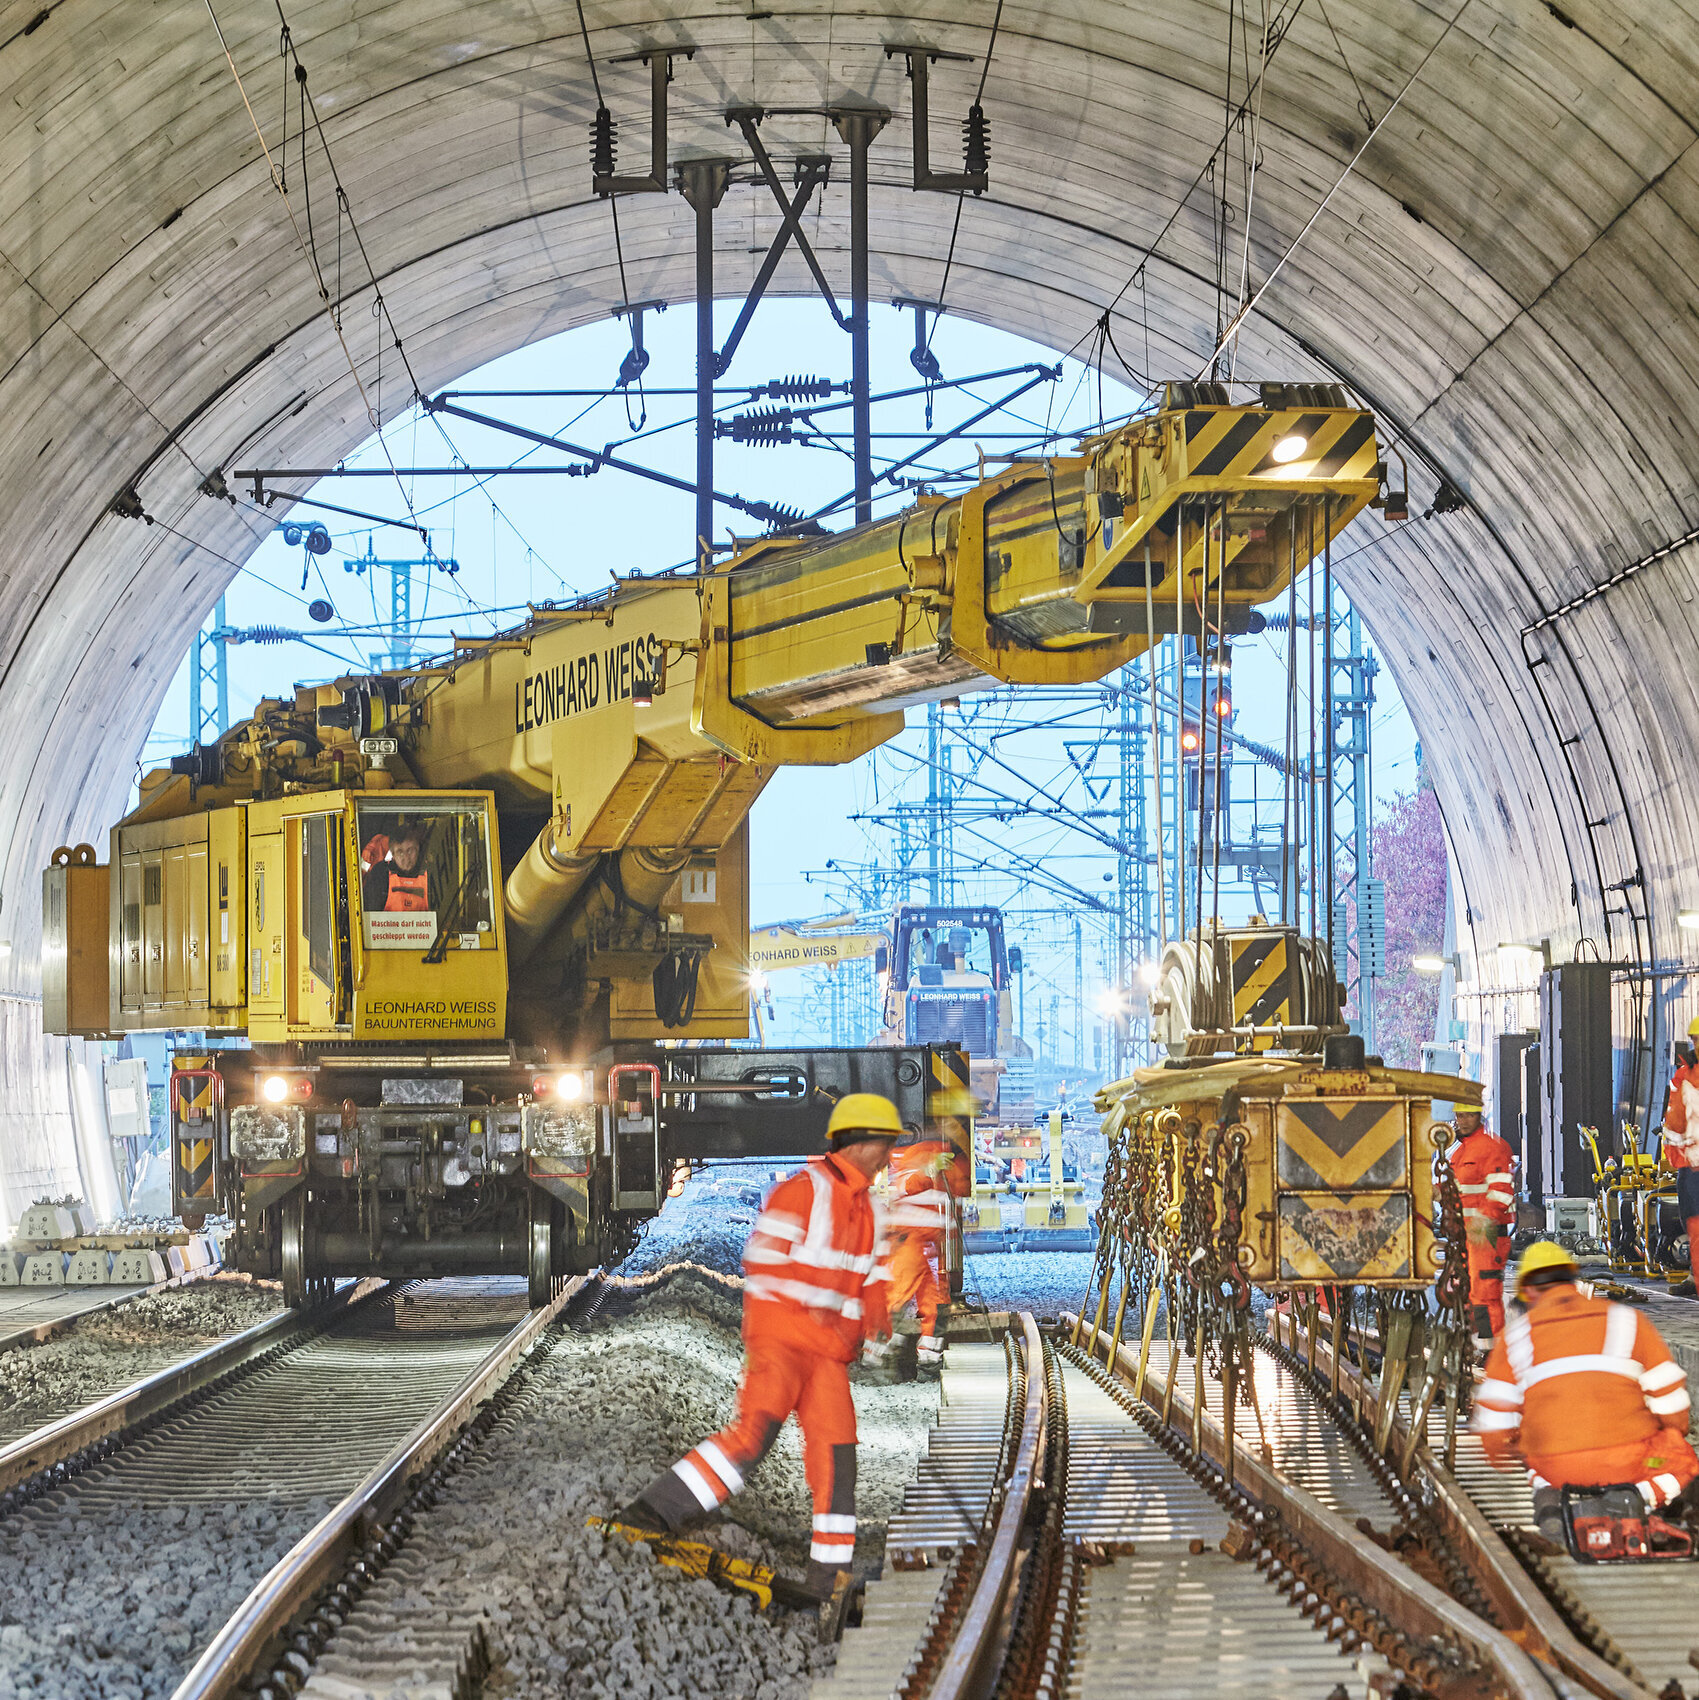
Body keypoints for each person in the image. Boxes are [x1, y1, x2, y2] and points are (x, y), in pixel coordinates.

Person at [620, 1094, 901, 1600]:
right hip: (782, 1342)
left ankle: (826, 1583)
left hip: (825, 1357)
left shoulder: (869, 1207)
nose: (889, 1156)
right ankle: (652, 1512)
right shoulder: (804, 1192)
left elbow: (870, 1277)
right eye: (885, 1144)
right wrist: (823, 1329)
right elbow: (766, 1269)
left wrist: (874, 1322)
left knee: (839, 1459)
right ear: (859, 1143)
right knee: (751, 1440)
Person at [1474, 1242, 1699, 1543]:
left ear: (1527, 1294)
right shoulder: (1626, 1320)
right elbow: (1671, 1397)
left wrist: (1507, 1451)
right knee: (1682, 1458)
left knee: (1529, 1453)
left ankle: (1549, 1499)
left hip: (1555, 1465)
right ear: (1574, 1282)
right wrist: (1667, 1433)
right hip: (1630, 1460)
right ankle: (1637, 1497)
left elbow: (1494, 1423)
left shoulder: (1516, 1338)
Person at [886, 1135, 970, 1377]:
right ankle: (878, 1361)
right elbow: (909, 1185)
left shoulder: (934, 1163)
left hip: (926, 1246)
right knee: (896, 1301)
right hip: (910, 1243)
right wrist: (929, 1170)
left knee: (934, 1305)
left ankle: (928, 1363)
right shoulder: (917, 1164)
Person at [1449, 1106, 1516, 1346]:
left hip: (1485, 1233)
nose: (1463, 1121)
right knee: (1469, 1290)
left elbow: (1501, 1192)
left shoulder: (1492, 1148)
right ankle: (1477, 1346)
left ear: (1480, 1116)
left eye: (1469, 1115)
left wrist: (1481, 1221)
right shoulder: (1461, 1152)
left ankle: (1492, 1350)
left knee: (1485, 1292)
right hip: (1467, 1234)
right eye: (1459, 1116)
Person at [1661, 1022, 1699, 1297]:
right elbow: (1674, 1124)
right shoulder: (1683, 1076)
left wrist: (1676, 1158)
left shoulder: (1684, 1077)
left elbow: (1674, 1123)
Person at [362, 820, 431, 913]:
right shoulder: (380, 874)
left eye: (410, 850)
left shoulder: (430, 873)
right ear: (393, 855)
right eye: (400, 852)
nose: (406, 858)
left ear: (418, 850)